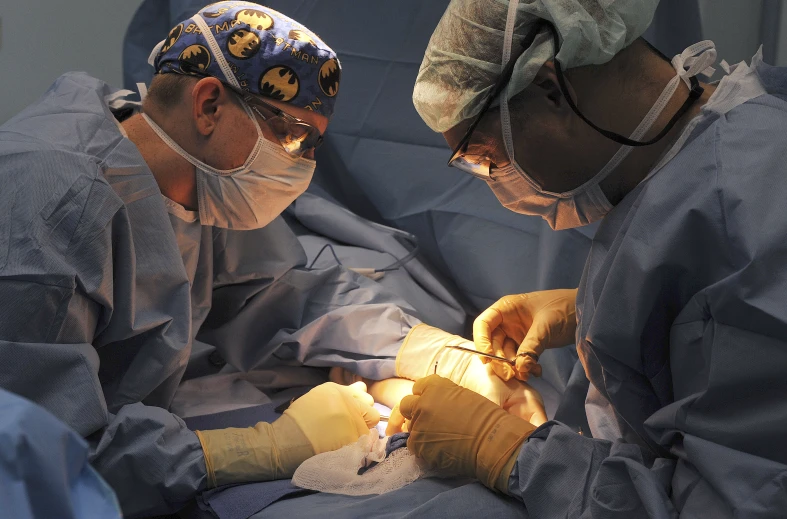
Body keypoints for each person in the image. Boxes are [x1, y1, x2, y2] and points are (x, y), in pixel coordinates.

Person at [0, 2, 542, 517]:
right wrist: (249, 451)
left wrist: (425, 351)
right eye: (292, 136)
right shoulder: (51, 204)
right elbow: (39, 454)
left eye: (314, 147)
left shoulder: (193, 182)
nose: (303, 166)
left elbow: (279, 293)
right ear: (209, 104)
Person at [387, 0, 787, 516]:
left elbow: (733, 503)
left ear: (551, 88)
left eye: (487, 157)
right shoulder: (739, 134)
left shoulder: (740, 230)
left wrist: (511, 452)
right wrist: (585, 308)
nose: (495, 182)